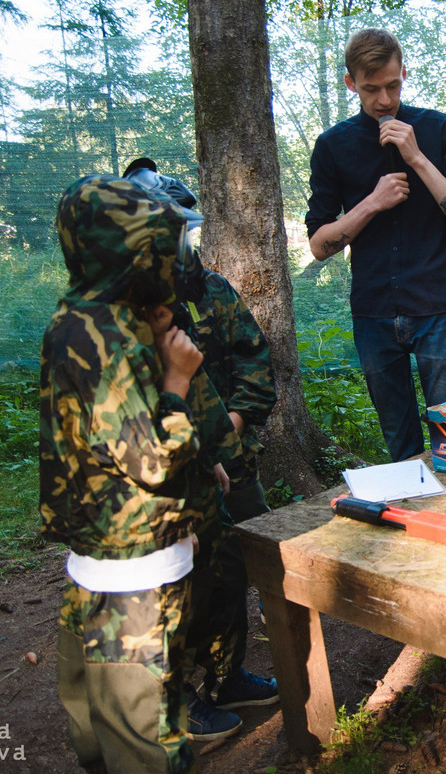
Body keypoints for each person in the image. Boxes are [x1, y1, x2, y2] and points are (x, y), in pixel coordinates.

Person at [40, 174, 209, 773]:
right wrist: (177, 382)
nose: (177, 259)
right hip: (135, 570)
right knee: (142, 743)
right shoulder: (108, 340)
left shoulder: (76, 316)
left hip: (95, 560)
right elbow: (155, 463)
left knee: (92, 723)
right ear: (136, 256)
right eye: (166, 247)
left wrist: (149, 326)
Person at [124, 159, 280, 742]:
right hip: (172, 468)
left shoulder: (208, 289)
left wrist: (236, 423)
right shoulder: (132, 315)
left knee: (233, 565)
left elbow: (252, 357)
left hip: (221, 456)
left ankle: (225, 675)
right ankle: (179, 700)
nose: (181, 245)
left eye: (186, 233)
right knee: (181, 581)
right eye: (172, 234)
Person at [305, 27, 446, 462]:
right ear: (351, 83)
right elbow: (318, 245)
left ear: (404, 73)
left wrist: (417, 158)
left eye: (392, 85)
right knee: (399, 443)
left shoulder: (438, 129)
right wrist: (372, 203)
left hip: (436, 308)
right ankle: (414, 514)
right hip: (373, 313)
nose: (383, 99)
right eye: (371, 89)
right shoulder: (333, 147)